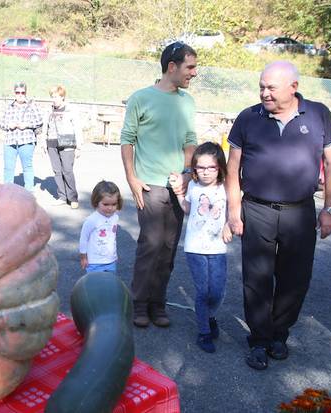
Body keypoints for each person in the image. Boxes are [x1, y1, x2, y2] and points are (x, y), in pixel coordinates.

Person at [225, 61, 331, 370]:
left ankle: (280, 334)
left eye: (271, 88)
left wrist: (330, 209)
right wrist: (234, 211)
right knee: (256, 279)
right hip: (257, 209)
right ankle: (260, 340)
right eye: (261, 86)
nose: (264, 93)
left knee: (295, 279)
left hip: (299, 212)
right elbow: (232, 167)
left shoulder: (319, 115)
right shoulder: (248, 117)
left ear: (294, 87)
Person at [120, 41, 199, 328]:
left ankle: (158, 303)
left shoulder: (187, 102)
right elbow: (127, 139)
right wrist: (132, 178)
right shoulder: (141, 98)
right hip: (149, 186)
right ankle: (139, 303)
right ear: (171, 67)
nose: (194, 73)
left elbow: (190, 140)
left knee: (168, 248)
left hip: (177, 187)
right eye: (190, 67)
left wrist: (188, 175)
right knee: (150, 245)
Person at [170, 142, 231, 353]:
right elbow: (187, 208)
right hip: (194, 247)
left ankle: (210, 316)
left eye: (210, 167)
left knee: (218, 291)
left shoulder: (225, 188)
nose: (205, 172)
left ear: (220, 167)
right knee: (203, 291)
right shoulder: (194, 187)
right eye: (200, 167)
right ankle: (204, 331)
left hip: (217, 248)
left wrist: (228, 225)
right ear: (194, 168)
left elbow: (233, 210)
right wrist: (179, 193)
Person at [41, 85, 83, 209]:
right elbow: (45, 127)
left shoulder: (71, 110)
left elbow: (77, 128)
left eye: (56, 97)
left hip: (67, 143)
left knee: (67, 170)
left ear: (62, 97)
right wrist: (43, 143)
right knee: (57, 171)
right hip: (52, 143)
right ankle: (62, 196)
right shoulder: (48, 110)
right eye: (52, 97)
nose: (53, 99)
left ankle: (73, 197)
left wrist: (79, 146)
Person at [0, 82, 43, 191]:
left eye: (22, 92)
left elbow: (39, 121)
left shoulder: (32, 106)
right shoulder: (9, 106)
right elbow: (1, 123)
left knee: (27, 167)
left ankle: (29, 190)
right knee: (8, 168)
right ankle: (7, 190)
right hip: (10, 141)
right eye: (17, 92)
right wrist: (9, 125)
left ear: (25, 93)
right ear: (14, 93)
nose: (20, 94)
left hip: (26, 141)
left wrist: (26, 124)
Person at [80, 180, 123, 274]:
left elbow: (111, 238)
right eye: (106, 204)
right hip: (94, 263)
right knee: (95, 286)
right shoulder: (91, 220)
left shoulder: (115, 218)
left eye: (114, 204)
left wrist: (114, 255)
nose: (110, 208)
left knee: (110, 285)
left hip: (111, 261)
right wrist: (83, 257)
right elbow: (84, 239)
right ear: (96, 202)